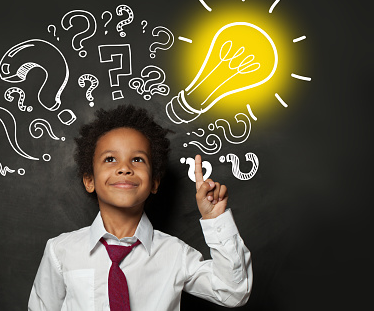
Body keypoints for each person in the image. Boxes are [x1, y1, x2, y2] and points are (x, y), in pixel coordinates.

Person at [28, 105, 252, 310]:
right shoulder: (60, 252)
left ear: (154, 182)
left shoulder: (175, 254)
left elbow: (233, 292)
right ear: (89, 180)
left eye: (137, 159)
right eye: (109, 159)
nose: (124, 168)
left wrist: (215, 219)